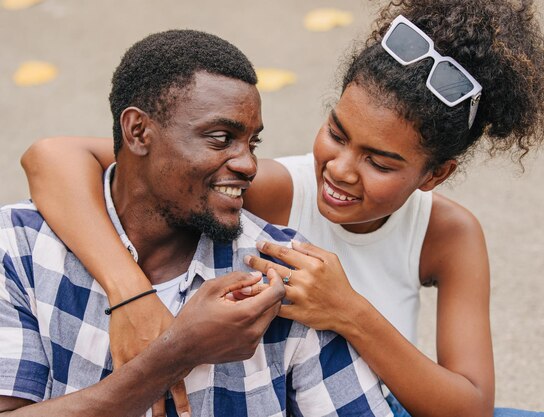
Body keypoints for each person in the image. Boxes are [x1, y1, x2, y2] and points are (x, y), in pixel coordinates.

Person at [18, 1, 544, 417]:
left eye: (381, 163)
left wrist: (349, 312)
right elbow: (55, 157)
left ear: (435, 174)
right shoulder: (268, 187)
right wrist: (129, 292)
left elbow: (469, 405)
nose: (340, 169)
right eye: (337, 132)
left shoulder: (448, 234)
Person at [0, 29, 394, 417]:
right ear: (138, 132)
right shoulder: (21, 248)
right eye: (221, 138)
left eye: (251, 143)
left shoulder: (280, 274)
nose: (249, 164)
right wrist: (176, 352)